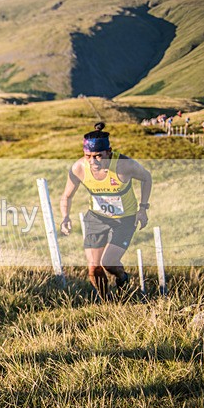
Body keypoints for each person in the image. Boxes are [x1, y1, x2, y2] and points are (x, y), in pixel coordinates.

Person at [59, 122, 152, 300]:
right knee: (94, 268)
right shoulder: (79, 168)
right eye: (88, 156)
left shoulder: (124, 165)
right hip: (97, 217)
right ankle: (107, 301)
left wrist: (143, 208)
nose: (93, 161)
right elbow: (67, 196)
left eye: (98, 156)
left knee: (108, 263)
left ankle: (122, 277)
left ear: (109, 152)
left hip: (124, 219)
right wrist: (65, 217)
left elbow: (146, 177)